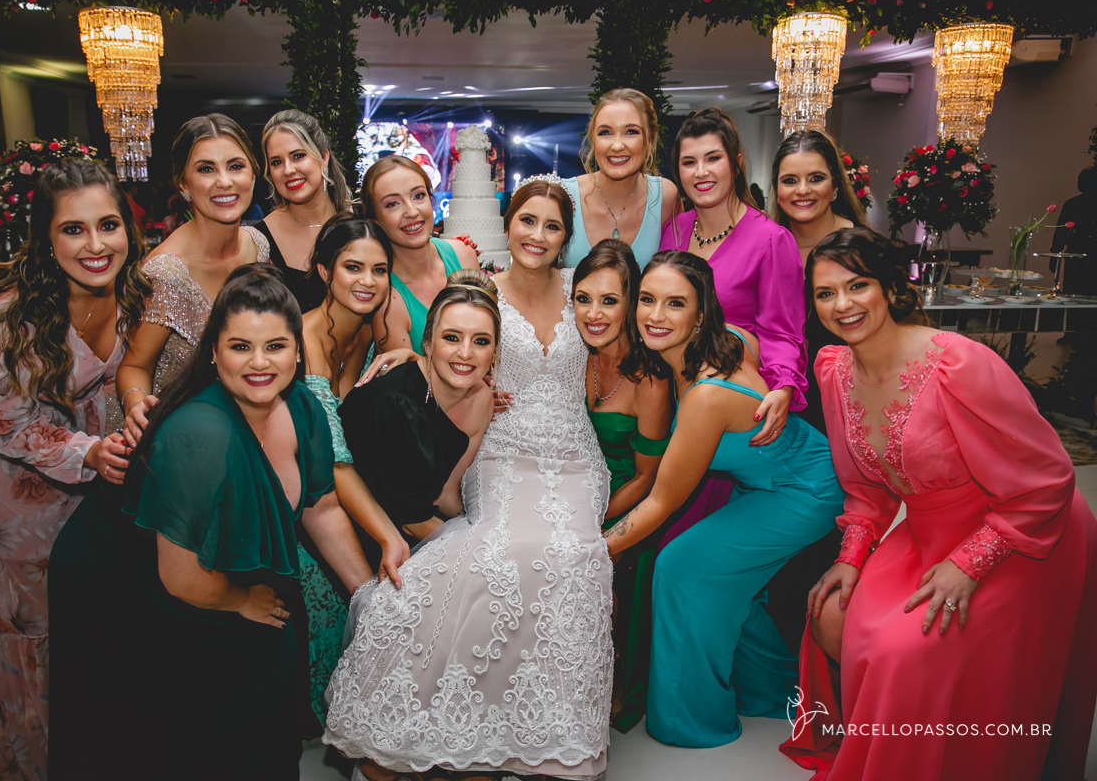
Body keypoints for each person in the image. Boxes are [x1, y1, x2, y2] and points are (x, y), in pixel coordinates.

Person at [781, 229, 1097, 780]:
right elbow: (867, 491)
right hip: (926, 534)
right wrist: (850, 557)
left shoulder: (958, 362)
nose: (843, 304)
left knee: (902, 650)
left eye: (858, 285)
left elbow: (1048, 479)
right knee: (830, 615)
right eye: (825, 293)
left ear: (890, 287)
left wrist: (968, 565)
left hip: (1023, 535)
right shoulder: (834, 370)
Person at [325, 180, 615, 780]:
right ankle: (470, 725)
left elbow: (641, 326)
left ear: (566, 237)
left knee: (574, 556)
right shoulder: (484, 288)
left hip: (575, 459)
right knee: (498, 555)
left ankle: (551, 735)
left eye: (552, 225)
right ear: (507, 225)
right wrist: (412, 355)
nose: (537, 235)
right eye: (527, 221)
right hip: (500, 450)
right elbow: (452, 342)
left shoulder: (581, 290)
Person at [49, 264, 373, 781]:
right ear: (214, 353)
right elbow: (181, 577)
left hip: (209, 574)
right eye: (241, 347)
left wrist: (368, 595)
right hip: (132, 585)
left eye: (275, 346)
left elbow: (322, 507)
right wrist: (242, 599)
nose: (260, 363)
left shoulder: (303, 406)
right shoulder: (200, 435)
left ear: (297, 350)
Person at [0, 158, 151, 780]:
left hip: (83, 449)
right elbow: (15, 428)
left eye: (108, 224)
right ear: (46, 240)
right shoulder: (8, 318)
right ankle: (23, 756)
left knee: (76, 595)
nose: (95, 245)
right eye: (73, 229)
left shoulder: (139, 291)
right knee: (22, 610)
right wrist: (89, 452)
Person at [602, 250, 842, 749]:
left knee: (682, 566)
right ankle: (776, 691)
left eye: (675, 303)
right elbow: (758, 347)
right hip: (772, 482)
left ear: (701, 314)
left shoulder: (706, 395)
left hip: (805, 489)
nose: (655, 315)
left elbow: (661, 502)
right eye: (647, 299)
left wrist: (593, 552)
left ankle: (690, 722)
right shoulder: (729, 339)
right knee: (726, 581)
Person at [655, 107, 808, 551]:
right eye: (689, 162)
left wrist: (783, 386)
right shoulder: (674, 232)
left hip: (727, 409)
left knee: (696, 543)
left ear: (736, 162)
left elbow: (782, 330)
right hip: (674, 397)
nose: (700, 172)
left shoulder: (771, 239)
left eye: (713, 158)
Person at [298, 211, 411, 720]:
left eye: (379, 270)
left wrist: (413, 357)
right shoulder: (305, 340)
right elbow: (333, 458)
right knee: (363, 604)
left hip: (345, 488)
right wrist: (389, 535)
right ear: (325, 271)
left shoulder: (368, 328)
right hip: (296, 500)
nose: (368, 281)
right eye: (353, 267)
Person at [762, 129, 871, 652]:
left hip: (843, 408)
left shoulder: (859, 245)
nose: (801, 190)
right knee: (778, 541)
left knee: (831, 541)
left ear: (835, 184)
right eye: (790, 180)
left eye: (815, 178)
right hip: (780, 406)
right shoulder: (768, 240)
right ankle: (789, 662)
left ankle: (821, 659)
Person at [115, 114, 271, 445]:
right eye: (206, 169)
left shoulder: (258, 246)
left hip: (247, 423)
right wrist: (138, 408)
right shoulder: (166, 273)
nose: (224, 182)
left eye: (235, 166)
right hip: (179, 433)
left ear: (253, 174)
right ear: (183, 185)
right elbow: (134, 367)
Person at [572, 239, 671, 732]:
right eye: (583, 298)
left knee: (585, 572)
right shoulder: (573, 356)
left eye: (608, 301)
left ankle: (603, 682)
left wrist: (591, 521)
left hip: (626, 507)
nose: (593, 314)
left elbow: (647, 478)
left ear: (630, 304)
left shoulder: (650, 380)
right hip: (566, 496)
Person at [363, 155, 480, 353]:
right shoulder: (387, 299)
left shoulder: (464, 255)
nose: (411, 211)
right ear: (375, 221)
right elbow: (404, 373)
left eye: (418, 196)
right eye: (392, 204)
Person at [561, 88, 678, 269]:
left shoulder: (665, 196)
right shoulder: (566, 195)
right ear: (593, 140)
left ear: (650, 139)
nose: (616, 146)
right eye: (605, 132)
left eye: (631, 132)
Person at [255, 108, 355, 313]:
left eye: (298, 156)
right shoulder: (259, 240)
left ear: (324, 157)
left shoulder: (362, 221)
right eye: (277, 162)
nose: (288, 170)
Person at [1051, 166, 1097, 296]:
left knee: (1074, 294)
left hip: (1076, 255)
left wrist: (1055, 254)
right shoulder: (1072, 204)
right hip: (1079, 255)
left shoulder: (1072, 204)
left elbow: (1060, 233)